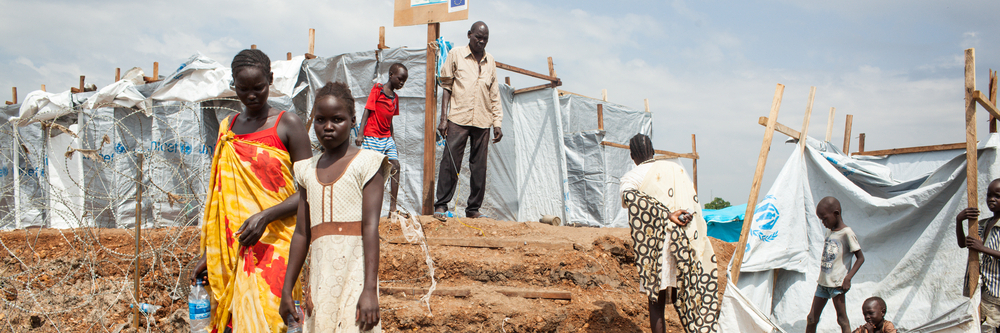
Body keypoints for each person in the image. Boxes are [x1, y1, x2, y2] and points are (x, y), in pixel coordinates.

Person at [193, 49, 313, 332]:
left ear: (270, 80)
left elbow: (311, 190)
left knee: (272, 320)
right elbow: (220, 202)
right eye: (243, 89)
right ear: (233, 86)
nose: (251, 95)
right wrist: (212, 254)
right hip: (234, 245)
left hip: (277, 244)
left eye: (258, 87)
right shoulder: (228, 130)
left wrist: (266, 216)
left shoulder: (288, 124)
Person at [280, 81, 388, 332]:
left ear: (352, 120)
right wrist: (287, 288)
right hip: (319, 281)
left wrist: (370, 290)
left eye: (337, 119)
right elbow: (302, 233)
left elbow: (371, 227)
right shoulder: (306, 169)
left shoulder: (368, 163)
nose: (327, 127)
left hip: (356, 277)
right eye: (320, 120)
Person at [619, 134, 719, 333]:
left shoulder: (633, 176)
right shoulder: (675, 169)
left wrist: (664, 214)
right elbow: (693, 203)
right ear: (654, 152)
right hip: (686, 240)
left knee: (656, 299)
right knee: (688, 297)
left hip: (659, 247)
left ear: (632, 156)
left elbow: (628, 196)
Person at [433, 21, 503, 220]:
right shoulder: (456, 54)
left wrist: (497, 122)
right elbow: (446, 86)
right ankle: (441, 205)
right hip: (458, 117)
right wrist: (444, 118)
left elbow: (494, 93)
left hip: (483, 120)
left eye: (485, 39)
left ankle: (473, 209)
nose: (481, 41)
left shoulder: (490, 61)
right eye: (478, 37)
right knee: (450, 162)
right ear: (469, 35)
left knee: (479, 166)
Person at [806, 196, 865, 333]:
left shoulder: (847, 233)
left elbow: (860, 258)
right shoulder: (829, 231)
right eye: (821, 219)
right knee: (811, 318)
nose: (823, 223)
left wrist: (848, 278)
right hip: (823, 283)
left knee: (842, 319)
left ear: (836, 214)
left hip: (836, 285)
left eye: (825, 218)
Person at [355, 63, 407, 214]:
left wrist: (393, 140)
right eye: (400, 79)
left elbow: (390, 121)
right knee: (372, 172)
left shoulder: (395, 98)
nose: (402, 83)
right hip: (371, 136)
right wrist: (360, 133)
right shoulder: (377, 90)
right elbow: (367, 111)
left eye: (404, 81)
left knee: (396, 166)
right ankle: (366, 208)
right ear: (391, 75)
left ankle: (393, 208)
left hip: (386, 138)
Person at [957, 178, 1000, 331]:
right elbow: (963, 244)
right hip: (983, 290)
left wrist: (982, 248)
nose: (992, 199)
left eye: (997, 196)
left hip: (997, 292)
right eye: (989, 195)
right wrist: (959, 221)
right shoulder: (982, 224)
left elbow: (979, 247)